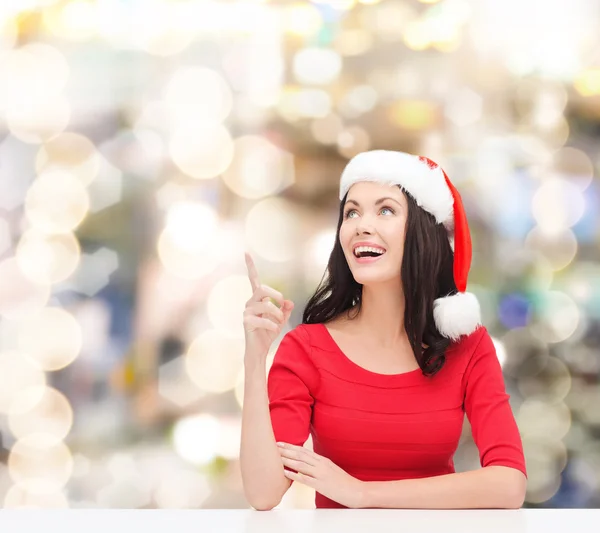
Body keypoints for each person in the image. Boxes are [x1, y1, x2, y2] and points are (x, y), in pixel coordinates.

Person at [240, 150, 527, 511]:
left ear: (422, 230)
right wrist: (254, 359)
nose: (361, 224)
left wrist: (363, 494)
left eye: (386, 210)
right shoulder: (305, 348)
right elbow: (263, 494)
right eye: (352, 212)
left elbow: (509, 484)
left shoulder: (468, 347)